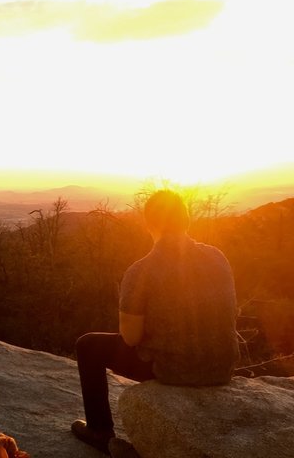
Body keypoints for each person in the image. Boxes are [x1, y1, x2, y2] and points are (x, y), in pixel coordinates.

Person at [71, 189, 239, 454]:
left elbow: (131, 338)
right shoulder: (218, 258)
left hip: (175, 368)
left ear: (149, 223)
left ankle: (100, 430)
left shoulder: (141, 270)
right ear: (187, 220)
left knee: (88, 346)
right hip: (223, 366)